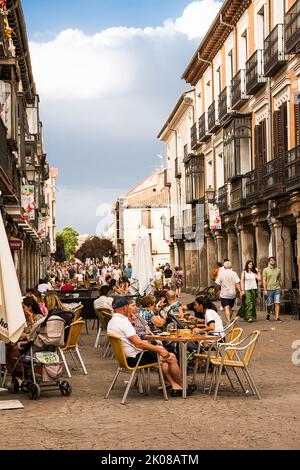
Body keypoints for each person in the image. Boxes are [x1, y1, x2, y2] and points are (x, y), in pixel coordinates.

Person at [107, 296, 196, 396]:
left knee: (165, 359)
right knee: (171, 356)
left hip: (124, 358)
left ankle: (175, 386)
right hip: (135, 358)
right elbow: (138, 343)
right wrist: (158, 349)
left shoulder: (112, 321)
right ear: (124, 307)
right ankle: (183, 387)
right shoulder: (123, 322)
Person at [262, 256, 284, 322]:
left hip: (277, 288)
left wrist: (282, 289)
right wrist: (265, 289)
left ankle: (277, 317)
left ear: (275, 261)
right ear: (269, 261)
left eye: (273, 260)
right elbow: (264, 280)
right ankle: (268, 313)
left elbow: (280, 280)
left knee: (277, 302)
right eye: (271, 260)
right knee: (269, 304)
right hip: (269, 289)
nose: (272, 261)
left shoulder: (278, 270)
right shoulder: (265, 270)